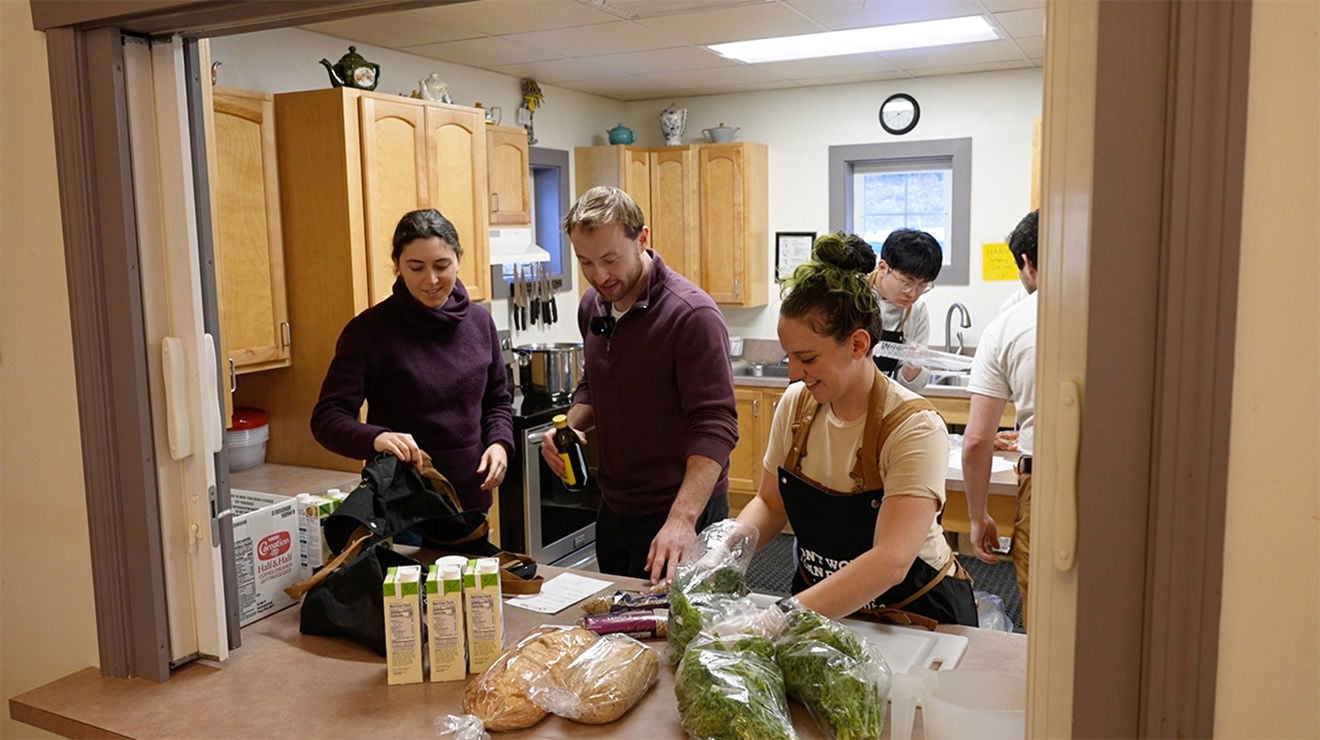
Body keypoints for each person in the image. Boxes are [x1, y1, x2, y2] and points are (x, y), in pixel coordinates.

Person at [735, 233, 978, 627]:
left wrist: (778, 619)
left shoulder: (913, 427)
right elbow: (770, 503)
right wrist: (723, 555)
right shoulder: (796, 406)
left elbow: (890, 562)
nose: (794, 372)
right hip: (822, 603)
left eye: (807, 358)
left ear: (858, 344)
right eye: (788, 356)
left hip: (911, 615)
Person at [540, 186, 738, 583]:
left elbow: (716, 425)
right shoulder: (592, 305)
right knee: (618, 615)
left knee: (675, 620)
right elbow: (595, 382)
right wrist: (571, 425)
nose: (599, 276)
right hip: (615, 508)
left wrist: (682, 519)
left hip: (681, 512)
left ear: (642, 238)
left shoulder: (691, 315)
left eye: (610, 259)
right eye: (585, 262)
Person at [311, 208, 513, 513]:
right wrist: (377, 438)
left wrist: (499, 443)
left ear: (459, 259)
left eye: (442, 265)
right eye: (416, 267)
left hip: (470, 503)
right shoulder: (368, 331)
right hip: (400, 509)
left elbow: (497, 401)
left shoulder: (480, 322)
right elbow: (327, 418)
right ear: (397, 265)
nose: (431, 280)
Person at [962, 209, 1038, 626]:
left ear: (1026, 261)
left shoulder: (1009, 325)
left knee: (1044, 604)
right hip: (1132, 476)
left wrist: (978, 516)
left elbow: (976, 440)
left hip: (1044, 480)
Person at [865, 229, 943, 391]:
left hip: (888, 399)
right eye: (906, 283)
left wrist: (912, 367)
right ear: (882, 268)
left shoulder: (917, 310)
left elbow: (910, 388)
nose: (912, 294)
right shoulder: (854, 299)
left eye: (922, 286)